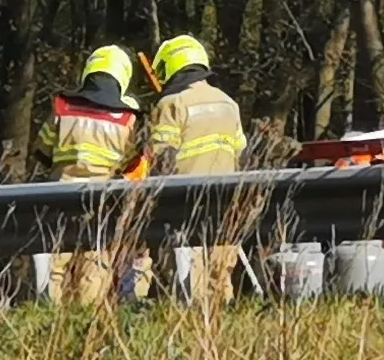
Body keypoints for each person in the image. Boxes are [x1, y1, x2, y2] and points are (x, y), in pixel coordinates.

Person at [39, 45, 138, 306]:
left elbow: (41, 149)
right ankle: (85, 330)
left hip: (59, 202)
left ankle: (48, 329)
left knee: (54, 269)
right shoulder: (127, 119)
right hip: (102, 207)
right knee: (93, 270)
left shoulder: (62, 108)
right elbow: (132, 165)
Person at [142, 35, 245, 177]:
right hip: (224, 192)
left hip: (181, 193)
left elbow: (160, 160)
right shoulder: (229, 103)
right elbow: (241, 155)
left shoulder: (171, 104)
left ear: (169, 66)